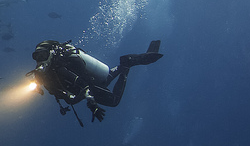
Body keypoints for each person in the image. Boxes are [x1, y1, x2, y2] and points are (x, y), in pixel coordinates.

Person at [28, 40, 163, 125]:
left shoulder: (61, 69)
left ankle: (127, 64)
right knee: (105, 80)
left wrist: (92, 104)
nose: (40, 60)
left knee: (114, 101)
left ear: (51, 53)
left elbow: (84, 85)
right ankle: (125, 63)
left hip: (88, 84)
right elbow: (65, 96)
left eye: (43, 55)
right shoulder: (45, 75)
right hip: (87, 84)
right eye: (37, 57)